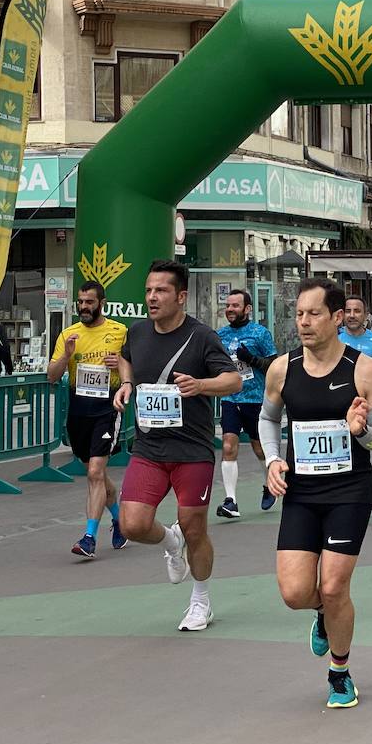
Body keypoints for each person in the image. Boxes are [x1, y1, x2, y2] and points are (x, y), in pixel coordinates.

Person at [259, 278, 372, 709]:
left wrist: (362, 431)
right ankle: (322, 615)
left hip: (349, 490)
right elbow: (268, 419)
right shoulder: (282, 368)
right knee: (296, 593)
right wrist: (272, 460)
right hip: (301, 491)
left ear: (337, 318)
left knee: (334, 586)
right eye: (299, 314)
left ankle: (340, 673)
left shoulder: (364, 370)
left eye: (313, 313)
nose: (303, 322)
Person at [113, 260, 240, 631]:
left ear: (181, 296)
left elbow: (232, 380)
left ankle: (201, 600)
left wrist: (200, 385)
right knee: (132, 524)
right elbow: (125, 356)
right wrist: (125, 384)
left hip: (192, 450)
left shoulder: (201, 337)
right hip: (149, 449)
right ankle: (171, 542)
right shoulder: (137, 332)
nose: (152, 297)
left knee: (195, 526)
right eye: (149, 290)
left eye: (161, 291)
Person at [47, 281, 128, 559]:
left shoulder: (119, 331)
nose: (84, 307)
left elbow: (133, 366)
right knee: (97, 475)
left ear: (101, 302)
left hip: (107, 409)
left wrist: (121, 365)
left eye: (89, 302)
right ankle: (119, 519)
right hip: (79, 412)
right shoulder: (69, 334)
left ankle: (89, 537)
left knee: (95, 473)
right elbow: (52, 375)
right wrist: (67, 356)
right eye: (80, 302)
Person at [215, 288, 277, 519]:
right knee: (229, 445)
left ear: (248, 309)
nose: (230, 310)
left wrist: (250, 359)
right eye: (228, 306)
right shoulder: (219, 334)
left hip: (255, 398)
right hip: (230, 397)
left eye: (235, 306)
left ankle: (270, 484)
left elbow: (274, 365)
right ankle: (231, 501)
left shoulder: (260, 334)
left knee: (259, 447)